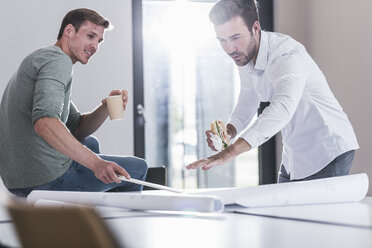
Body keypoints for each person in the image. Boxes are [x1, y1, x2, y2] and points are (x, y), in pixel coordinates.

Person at [186, 0, 359, 183]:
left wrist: (231, 152)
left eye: (235, 37)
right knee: (284, 207)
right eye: (222, 40)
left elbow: (282, 109)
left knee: (309, 211)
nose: (230, 48)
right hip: (295, 151)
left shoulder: (287, 55)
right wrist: (229, 131)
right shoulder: (244, 54)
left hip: (327, 148)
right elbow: (249, 98)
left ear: (255, 28)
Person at [0, 8, 148, 197]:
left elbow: (76, 127)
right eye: (90, 36)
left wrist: (105, 108)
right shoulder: (58, 61)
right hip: (41, 177)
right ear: (69, 31)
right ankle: (109, 225)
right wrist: (96, 164)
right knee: (137, 168)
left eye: (99, 41)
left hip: (16, 178)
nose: (95, 46)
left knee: (90, 143)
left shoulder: (45, 58)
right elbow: (45, 122)